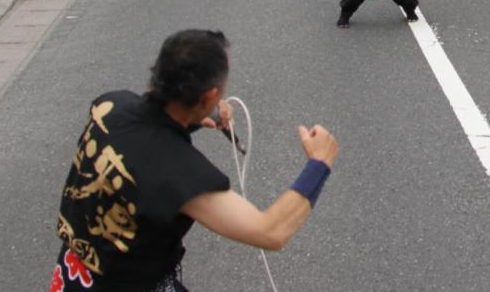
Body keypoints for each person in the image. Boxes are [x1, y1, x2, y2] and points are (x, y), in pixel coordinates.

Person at [52, 29, 338, 292]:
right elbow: (271, 231)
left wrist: (194, 117)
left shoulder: (109, 104)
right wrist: (319, 164)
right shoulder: (180, 174)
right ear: (209, 96)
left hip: (74, 271)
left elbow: (140, 137)